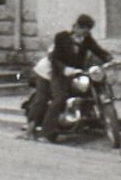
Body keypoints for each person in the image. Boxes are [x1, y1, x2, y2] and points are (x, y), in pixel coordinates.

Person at [41, 14, 113, 142]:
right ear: (76, 27)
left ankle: (104, 120)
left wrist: (110, 59)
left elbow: (98, 50)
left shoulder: (87, 39)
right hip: (60, 74)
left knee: (94, 88)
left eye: (88, 30)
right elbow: (55, 58)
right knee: (59, 98)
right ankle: (47, 133)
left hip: (78, 72)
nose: (85, 33)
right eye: (83, 29)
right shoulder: (61, 37)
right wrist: (65, 69)